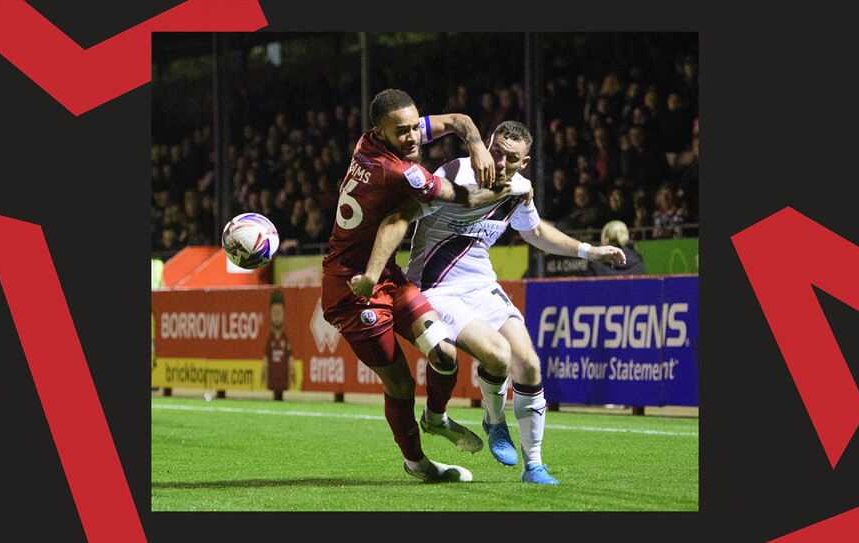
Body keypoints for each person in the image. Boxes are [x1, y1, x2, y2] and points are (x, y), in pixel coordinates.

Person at [363, 120, 625, 484]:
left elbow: (533, 231)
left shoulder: (518, 189)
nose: (500, 162)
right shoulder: (454, 172)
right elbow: (405, 215)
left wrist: (589, 250)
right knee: (498, 355)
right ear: (486, 144)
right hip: (437, 288)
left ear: (525, 161)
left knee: (530, 365)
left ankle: (533, 465)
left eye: (511, 158)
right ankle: (496, 421)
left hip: (482, 285)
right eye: (496, 151)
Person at [322, 89, 528, 483]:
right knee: (400, 383)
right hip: (351, 289)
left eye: (417, 126)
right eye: (402, 132)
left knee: (445, 354)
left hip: (385, 278)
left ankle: (437, 418)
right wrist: (511, 188)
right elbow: (466, 198)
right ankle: (417, 463)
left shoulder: (371, 142)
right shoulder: (400, 172)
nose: (414, 137)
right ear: (380, 132)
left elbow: (457, 121)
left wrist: (476, 146)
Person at [262, 289, 296, 400]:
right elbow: (266, 356)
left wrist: (292, 371)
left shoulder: (286, 339)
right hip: (272, 377)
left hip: (283, 378)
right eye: (274, 312)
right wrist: (264, 371)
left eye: (279, 312)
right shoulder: (270, 340)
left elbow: (290, 355)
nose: (277, 316)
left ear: (284, 313)